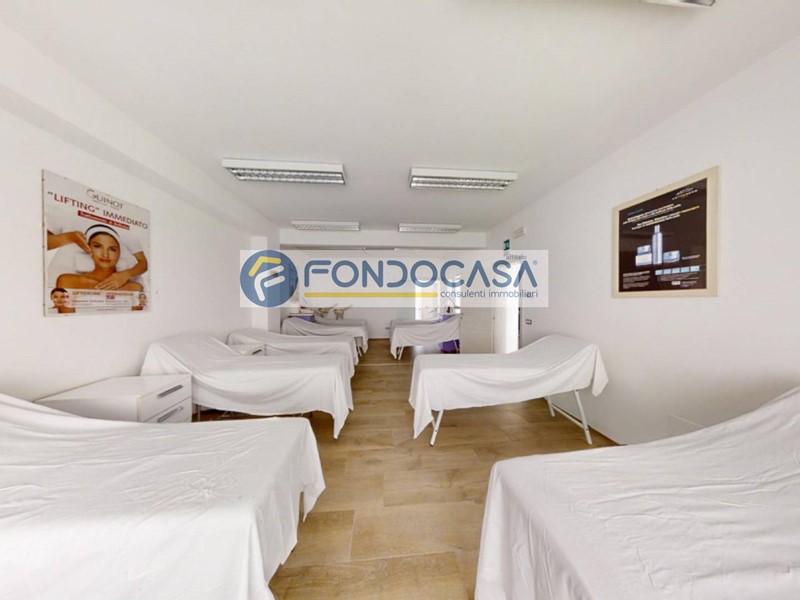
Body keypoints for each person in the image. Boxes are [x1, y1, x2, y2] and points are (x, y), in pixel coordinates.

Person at [47, 224, 148, 290]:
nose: (105, 254)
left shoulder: (135, 288)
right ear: (88, 249)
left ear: (119, 253)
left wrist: (126, 274)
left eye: (112, 249)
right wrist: (69, 237)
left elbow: (143, 263)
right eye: (97, 246)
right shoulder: (67, 281)